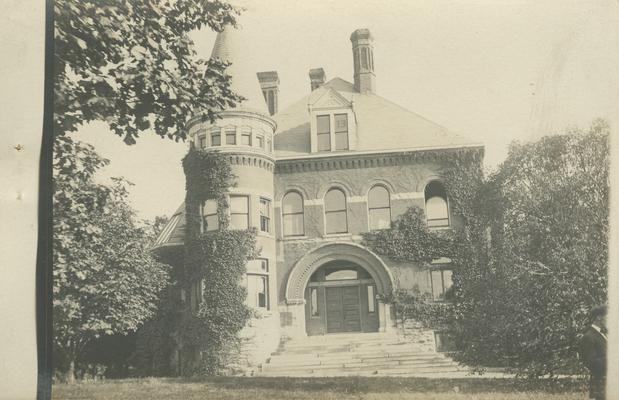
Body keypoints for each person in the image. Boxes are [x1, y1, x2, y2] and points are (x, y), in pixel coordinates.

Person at [579, 305, 608, 400]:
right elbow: (590, 362)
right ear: (599, 317)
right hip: (600, 382)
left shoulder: (604, 334)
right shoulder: (589, 337)